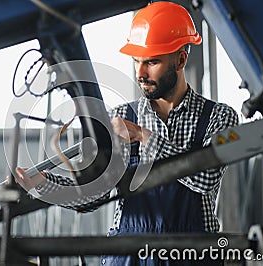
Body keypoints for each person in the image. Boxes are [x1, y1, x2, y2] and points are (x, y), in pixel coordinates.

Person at [15, 1, 239, 265]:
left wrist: (144, 137)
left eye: (152, 62)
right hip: (130, 255)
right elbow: (95, 195)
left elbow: (206, 179)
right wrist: (43, 183)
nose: (140, 73)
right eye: (136, 62)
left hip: (191, 256)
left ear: (181, 59)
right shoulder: (121, 117)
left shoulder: (219, 117)